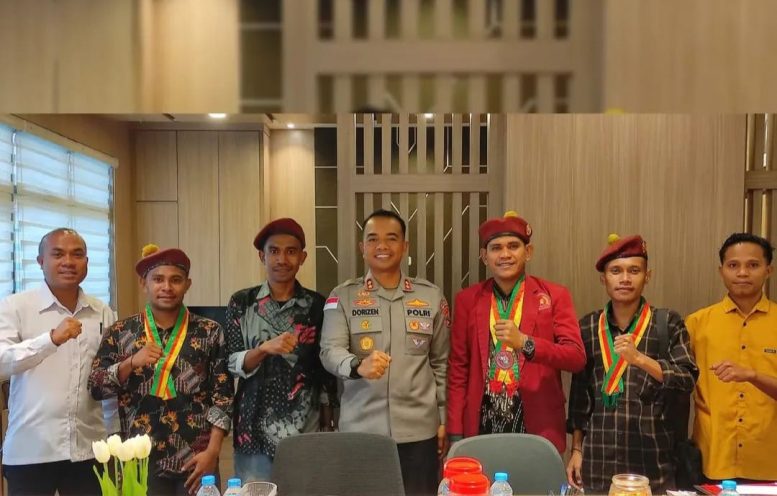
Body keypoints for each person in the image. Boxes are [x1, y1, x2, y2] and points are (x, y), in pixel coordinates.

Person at [319, 209, 450, 496]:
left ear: (405, 246)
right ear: (362, 247)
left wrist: (443, 418)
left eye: (391, 238)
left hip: (419, 432)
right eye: (373, 239)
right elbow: (329, 351)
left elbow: (441, 362)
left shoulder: (430, 296)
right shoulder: (343, 296)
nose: (382, 246)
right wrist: (357, 366)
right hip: (361, 431)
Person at [89, 244, 233, 496]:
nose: (167, 287)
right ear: (143, 283)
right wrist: (130, 363)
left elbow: (223, 397)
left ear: (187, 284)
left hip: (197, 458)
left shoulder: (210, 332)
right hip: (139, 459)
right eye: (158, 279)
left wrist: (212, 452)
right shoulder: (121, 332)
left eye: (175, 280)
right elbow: (96, 387)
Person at [566, 234, 698, 493]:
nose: (625, 278)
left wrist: (640, 359)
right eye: (616, 271)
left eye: (634, 271)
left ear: (647, 276)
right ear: (604, 278)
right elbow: (580, 397)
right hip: (599, 460)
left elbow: (687, 378)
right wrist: (576, 450)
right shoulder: (589, 326)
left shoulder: (667, 322)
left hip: (653, 459)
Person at [447, 211, 586, 454]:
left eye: (513, 246)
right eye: (496, 248)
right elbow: (458, 369)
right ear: (484, 256)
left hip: (537, 424)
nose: (505, 254)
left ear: (528, 252)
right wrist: (455, 432)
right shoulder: (467, 300)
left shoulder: (554, 295)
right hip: (482, 423)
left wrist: (525, 343)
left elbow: (576, 357)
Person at [0, 228, 117, 496]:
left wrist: (113, 438)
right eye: (58, 254)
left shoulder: (102, 312)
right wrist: (50, 340)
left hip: (89, 449)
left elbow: (106, 379)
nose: (68, 262)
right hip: (31, 451)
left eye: (77, 254)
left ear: (87, 262)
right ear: (41, 261)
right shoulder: (15, 307)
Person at [224, 218, 336, 482]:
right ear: (262, 256)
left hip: (305, 428)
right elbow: (230, 362)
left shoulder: (317, 305)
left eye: (291, 251)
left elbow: (324, 367)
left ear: (302, 257)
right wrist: (263, 349)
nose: (282, 259)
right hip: (252, 429)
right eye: (274, 251)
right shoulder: (242, 302)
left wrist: (329, 418)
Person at [686, 233, 777, 482]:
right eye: (733, 265)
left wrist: (753, 376)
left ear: (768, 270)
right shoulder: (697, 323)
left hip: (769, 460)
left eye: (753, 265)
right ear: (721, 271)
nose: (743, 273)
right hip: (713, 458)